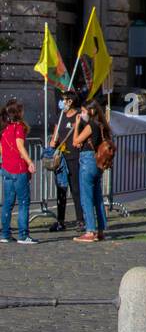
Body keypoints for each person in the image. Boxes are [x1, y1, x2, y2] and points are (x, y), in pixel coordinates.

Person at [72, 99, 112, 242]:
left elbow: (75, 141)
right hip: (98, 162)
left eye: (83, 111)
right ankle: (101, 230)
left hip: (88, 161)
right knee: (97, 197)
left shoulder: (91, 125)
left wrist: (77, 125)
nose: (82, 114)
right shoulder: (102, 125)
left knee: (86, 197)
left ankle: (90, 231)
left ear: (92, 111)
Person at [47, 87, 86, 232]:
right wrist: (53, 141)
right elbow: (55, 134)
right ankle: (60, 221)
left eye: (64, 100)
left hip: (74, 158)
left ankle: (80, 220)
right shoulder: (61, 116)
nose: (61, 102)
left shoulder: (78, 116)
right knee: (61, 190)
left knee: (76, 189)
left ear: (70, 101)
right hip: (61, 159)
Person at [0, 99, 38, 244]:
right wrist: (30, 162)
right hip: (18, 168)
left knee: (8, 203)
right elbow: (20, 146)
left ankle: (5, 233)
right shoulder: (18, 127)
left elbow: (2, 149)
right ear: (18, 113)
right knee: (23, 202)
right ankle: (23, 235)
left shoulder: (4, 128)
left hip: (6, 168)